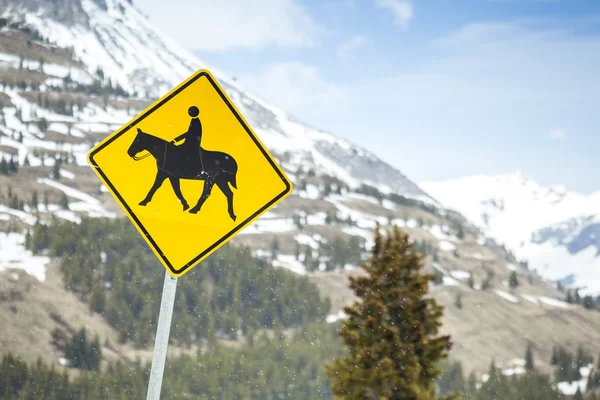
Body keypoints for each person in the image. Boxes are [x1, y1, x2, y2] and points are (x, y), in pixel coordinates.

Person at [171, 106, 204, 173]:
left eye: (191, 111)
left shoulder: (196, 121)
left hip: (192, 144)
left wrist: (175, 140)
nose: (189, 113)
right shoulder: (194, 120)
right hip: (190, 142)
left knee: (178, 151)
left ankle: (181, 168)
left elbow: (189, 133)